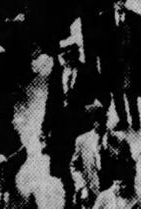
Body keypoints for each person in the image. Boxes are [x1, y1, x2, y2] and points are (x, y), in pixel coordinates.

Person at [44, 41, 102, 207]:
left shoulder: (88, 71)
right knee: (62, 166)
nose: (68, 59)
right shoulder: (56, 75)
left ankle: (86, 195)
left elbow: (102, 96)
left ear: (76, 54)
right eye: (65, 55)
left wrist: (94, 108)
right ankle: (70, 194)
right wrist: (45, 127)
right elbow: (50, 103)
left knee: (81, 164)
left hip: (80, 127)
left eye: (71, 54)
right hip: (60, 129)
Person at [102, 0, 141, 131]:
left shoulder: (135, 19)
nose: (120, 4)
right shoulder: (105, 19)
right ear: (112, 4)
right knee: (117, 95)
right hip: (113, 64)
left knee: (131, 93)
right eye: (116, 2)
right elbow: (103, 45)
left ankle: (135, 120)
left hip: (130, 63)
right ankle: (123, 120)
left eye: (122, 1)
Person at [73, 103, 134, 207]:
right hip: (91, 194)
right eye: (95, 120)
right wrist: (82, 187)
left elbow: (130, 166)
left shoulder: (119, 141)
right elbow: (74, 166)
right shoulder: (82, 141)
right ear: (91, 122)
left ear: (106, 119)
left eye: (101, 119)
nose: (98, 123)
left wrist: (125, 187)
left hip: (113, 196)